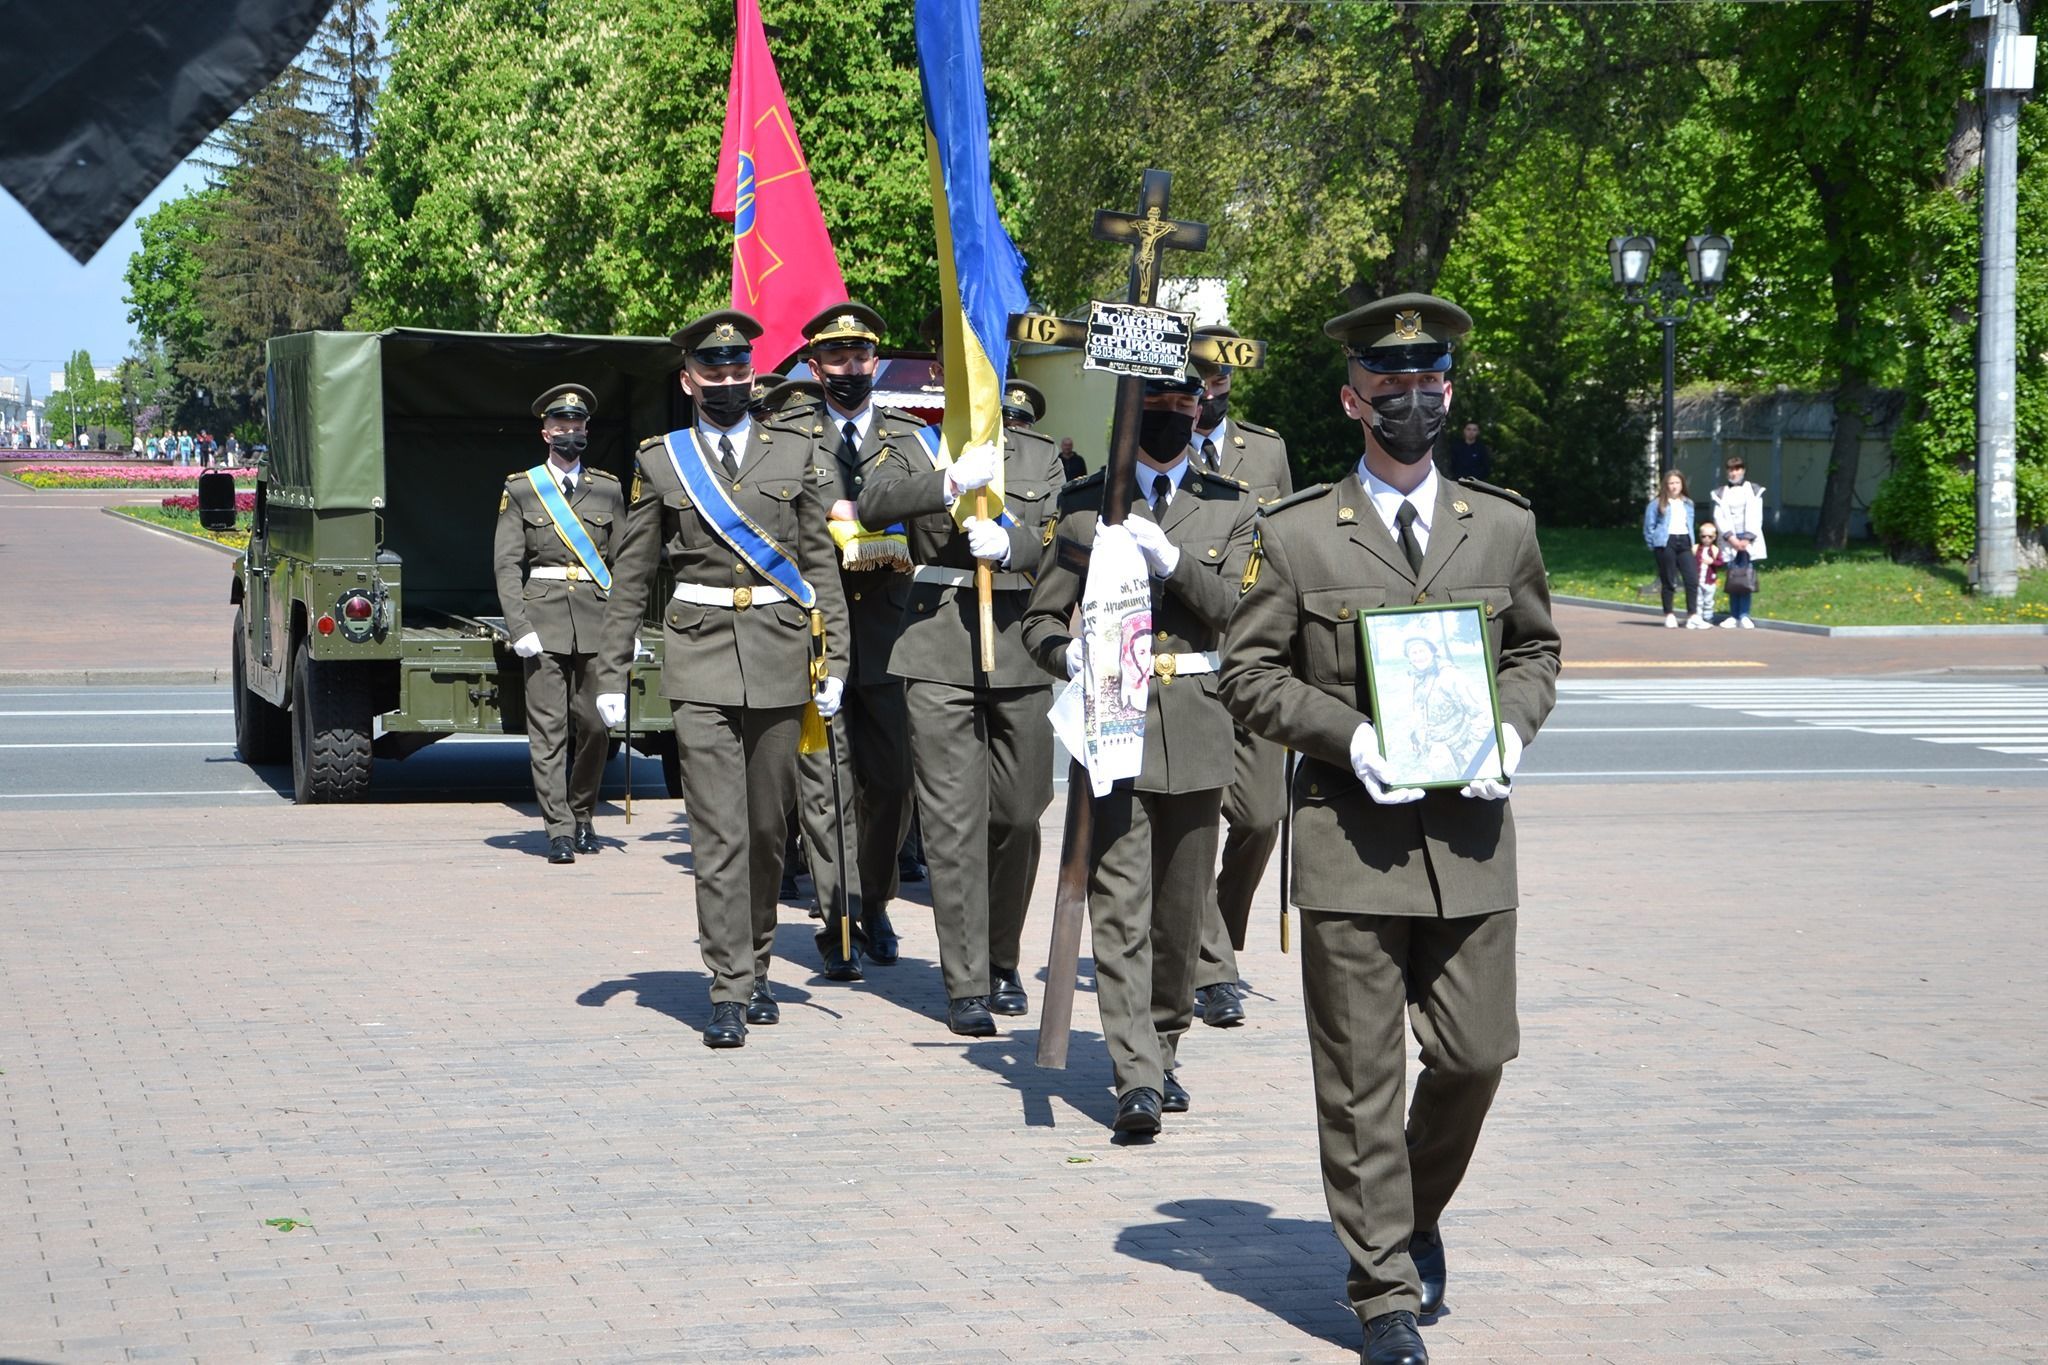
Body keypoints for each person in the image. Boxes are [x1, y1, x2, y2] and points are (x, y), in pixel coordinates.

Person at [1218, 292, 1560, 1365]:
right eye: (1388, 386)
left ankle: (1409, 1213)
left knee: (1473, 1057)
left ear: (1446, 394)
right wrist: (1345, 737)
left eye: (1427, 384)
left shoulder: (1499, 525)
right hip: (1350, 845)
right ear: (1351, 399)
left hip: (1468, 844)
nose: (1409, 401)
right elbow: (1246, 673)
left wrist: (1508, 729)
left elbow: (1534, 651)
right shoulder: (1299, 533)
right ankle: (1382, 1295)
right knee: (1359, 1076)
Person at [594, 309, 851, 1049]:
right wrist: (612, 668)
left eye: (740, 369)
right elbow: (633, 572)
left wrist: (833, 661)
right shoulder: (662, 461)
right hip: (699, 659)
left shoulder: (794, 449)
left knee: (770, 831)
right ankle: (728, 986)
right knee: (717, 831)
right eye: (714, 371)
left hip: (778, 656)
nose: (729, 381)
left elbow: (817, 566)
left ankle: (760, 960)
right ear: (689, 380)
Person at [1022, 371, 1257, 1137]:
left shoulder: (1232, 505)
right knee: (1117, 905)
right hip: (1112, 725)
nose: (1167, 418)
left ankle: (1163, 1043)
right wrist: (1069, 657)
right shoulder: (1087, 506)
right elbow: (1039, 620)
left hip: (1194, 722)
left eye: (1181, 407)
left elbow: (1244, 620)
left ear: (1200, 412)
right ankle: (1135, 1078)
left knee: (1180, 913)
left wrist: (1174, 563)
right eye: (1152, 406)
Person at [857, 386, 1067, 1036]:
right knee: (950, 820)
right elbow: (871, 502)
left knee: (1019, 815)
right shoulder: (909, 442)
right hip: (936, 642)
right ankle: (968, 980)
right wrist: (945, 479)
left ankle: (1003, 955)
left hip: (1021, 645)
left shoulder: (1037, 452)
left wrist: (1016, 547)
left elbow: (1061, 538)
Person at [766, 303, 923, 980]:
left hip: (890, 633)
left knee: (890, 783)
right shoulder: (788, 436)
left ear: (875, 363)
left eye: (861, 357)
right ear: (814, 365)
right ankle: (840, 923)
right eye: (837, 358)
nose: (850, 369)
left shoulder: (913, 437)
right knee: (826, 782)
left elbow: (934, 524)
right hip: (817, 635)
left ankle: (877, 894)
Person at [1188, 324, 1294, 1030]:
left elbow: (1287, 546)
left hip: (1255, 650)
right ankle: (1211, 965)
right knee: (1192, 813)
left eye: (1220, 379)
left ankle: (1218, 934)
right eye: (1199, 377)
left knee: (1261, 814)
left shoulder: (1268, 449)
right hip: (1186, 651)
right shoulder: (1153, 434)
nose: (1208, 390)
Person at [493, 383, 623, 865]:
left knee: (594, 724)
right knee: (548, 730)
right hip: (543, 619)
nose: (570, 432)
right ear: (545, 431)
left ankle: (583, 810)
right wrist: (518, 626)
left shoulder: (608, 489)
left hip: (597, 619)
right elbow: (506, 563)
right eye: (561, 425)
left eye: (578, 424)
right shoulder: (522, 490)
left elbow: (624, 562)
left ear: (587, 430)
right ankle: (559, 830)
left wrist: (625, 626)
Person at [1711, 455, 1767, 628]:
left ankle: (1744, 614)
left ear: (1743, 470)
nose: (1734, 473)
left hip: (1748, 539)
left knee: (1746, 576)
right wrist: (1732, 538)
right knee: (1733, 576)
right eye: (1731, 469)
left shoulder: (1753, 490)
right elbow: (1718, 517)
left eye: (1737, 469)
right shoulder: (1721, 493)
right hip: (1730, 540)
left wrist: (1747, 539)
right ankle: (1733, 614)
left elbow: (1757, 515)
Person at [1642, 469, 1699, 627]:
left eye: (1677, 483)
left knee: (1692, 579)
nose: (1674, 486)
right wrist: (1653, 545)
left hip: (1684, 541)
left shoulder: (1688, 503)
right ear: (1666, 485)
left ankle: (1692, 614)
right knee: (1668, 579)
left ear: (1682, 484)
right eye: (1671, 483)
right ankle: (1669, 613)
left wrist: (1693, 542)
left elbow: (1691, 525)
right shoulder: (1657, 503)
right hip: (1666, 542)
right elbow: (1649, 526)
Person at [1693, 520, 1723, 627]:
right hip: (1697, 580)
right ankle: (1698, 617)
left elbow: (1720, 562)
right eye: (1703, 536)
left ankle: (1708, 617)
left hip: (1710, 581)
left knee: (1709, 601)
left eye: (1710, 537)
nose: (1706, 539)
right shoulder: (1696, 548)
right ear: (1700, 536)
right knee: (1698, 600)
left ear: (1714, 537)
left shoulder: (1715, 550)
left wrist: (1712, 562)